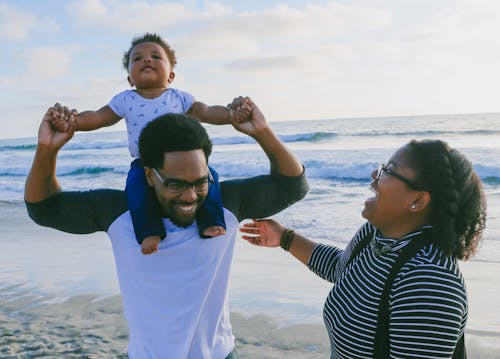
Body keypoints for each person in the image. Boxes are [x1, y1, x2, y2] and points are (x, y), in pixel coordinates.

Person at [25, 97, 309, 358]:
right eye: (175, 184)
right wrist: (47, 150)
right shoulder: (118, 212)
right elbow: (44, 208)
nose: (190, 196)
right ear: (149, 175)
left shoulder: (226, 205)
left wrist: (262, 131)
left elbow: (293, 186)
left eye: (200, 182)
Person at [240, 139, 486, 358]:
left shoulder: (428, 281)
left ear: (418, 201)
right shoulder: (375, 235)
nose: (374, 174)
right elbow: (342, 270)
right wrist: (284, 238)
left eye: (387, 171)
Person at [50, 32, 251, 255]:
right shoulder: (125, 99)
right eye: (137, 59)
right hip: (144, 162)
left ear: (171, 75)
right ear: (130, 78)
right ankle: (149, 231)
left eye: (156, 56)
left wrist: (232, 114)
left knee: (210, 178)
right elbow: (98, 117)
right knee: (135, 190)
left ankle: (211, 222)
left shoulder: (179, 97)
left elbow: (206, 112)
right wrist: (73, 121)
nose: (147, 60)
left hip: (183, 162)